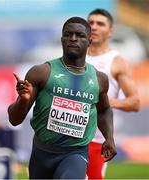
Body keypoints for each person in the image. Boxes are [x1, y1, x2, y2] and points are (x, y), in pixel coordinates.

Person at [7, 16, 117, 179]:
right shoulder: (42, 72)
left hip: (76, 153)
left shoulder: (99, 79)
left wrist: (109, 137)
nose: (73, 39)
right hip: (42, 153)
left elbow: (104, 110)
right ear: (62, 39)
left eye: (79, 35)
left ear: (89, 41)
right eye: (68, 34)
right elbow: (14, 119)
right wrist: (23, 100)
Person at [86, 9, 140, 179]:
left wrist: (108, 101)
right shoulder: (72, 56)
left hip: (97, 139)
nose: (94, 27)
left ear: (110, 31)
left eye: (100, 23)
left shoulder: (117, 61)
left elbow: (135, 102)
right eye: (90, 23)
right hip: (67, 137)